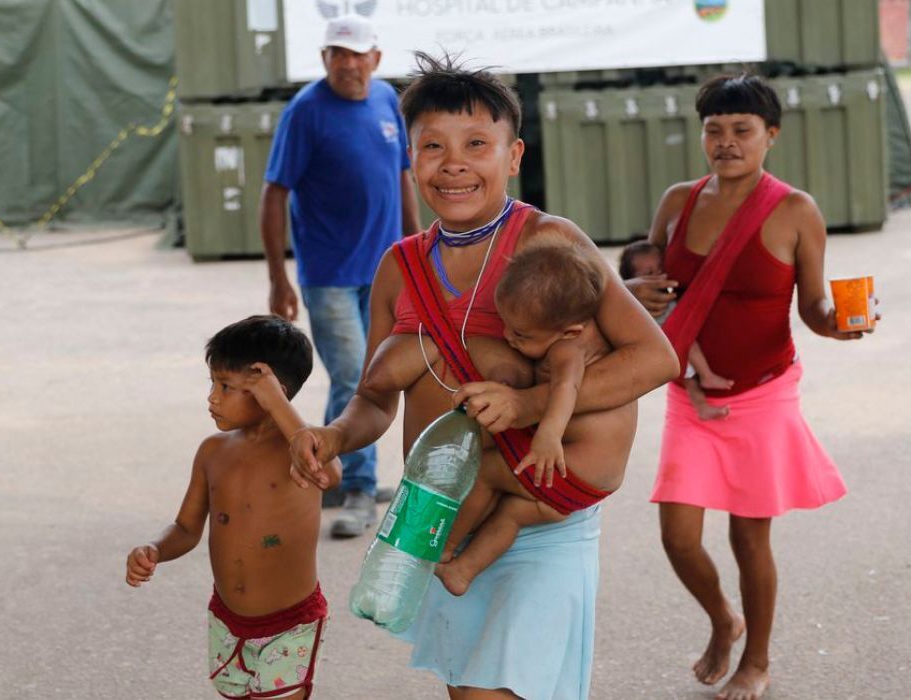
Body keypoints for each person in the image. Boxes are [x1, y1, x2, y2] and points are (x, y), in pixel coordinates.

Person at [288, 52, 678, 700]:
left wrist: (527, 407)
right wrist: (333, 439)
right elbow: (376, 400)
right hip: (443, 515)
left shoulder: (552, 242)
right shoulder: (399, 267)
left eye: (476, 144)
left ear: (514, 154)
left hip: (535, 506)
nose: (454, 163)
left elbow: (654, 356)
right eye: (432, 146)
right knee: (472, 690)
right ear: (409, 158)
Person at [630, 74, 868, 700]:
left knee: (748, 535)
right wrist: (633, 293)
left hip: (763, 394)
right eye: (715, 130)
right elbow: (645, 282)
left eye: (742, 130)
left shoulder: (795, 210)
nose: (726, 142)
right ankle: (722, 620)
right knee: (677, 537)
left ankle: (755, 660)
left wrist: (837, 324)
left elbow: (814, 303)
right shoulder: (678, 201)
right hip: (690, 394)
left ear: (771, 136)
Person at [259, 13, 421, 538]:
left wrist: (420, 256)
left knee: (372, 376)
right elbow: (274, 194)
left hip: (384, 272)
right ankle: (356, 489)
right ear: (325, 57)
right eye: (337, 53)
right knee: (357, 378)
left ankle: (342, 471)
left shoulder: (388, 102)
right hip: (328, 274)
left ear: (375, 57)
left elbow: (403, 180)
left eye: (356, 54)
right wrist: (279, 278)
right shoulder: (305, 112)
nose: (347, 64)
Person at [124, 315, 340, 699]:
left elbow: (330, 473)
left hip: (290, 625)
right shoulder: (213, 452)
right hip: (227, 621)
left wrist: (277, 403)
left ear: (272, 390)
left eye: (226, 386)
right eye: (212, 383)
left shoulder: (300, 452)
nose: (212, 397)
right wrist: (156, 549)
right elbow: (187, 527)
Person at [425, 241, 633, 597]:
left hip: (573, 469)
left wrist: (549, 434)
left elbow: (567, 387)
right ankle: (462, 570)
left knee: (485, 469)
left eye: (520, 335)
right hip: (590, 479)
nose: (508, 337)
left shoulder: (568, 349)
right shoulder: (560, 331)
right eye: (506, 325)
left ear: (570, 331)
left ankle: (442, 549)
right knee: (513, 513)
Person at [620, 240, 732, 421]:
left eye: (659, 268)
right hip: (665, 342)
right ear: (633, 280)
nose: (657, 275)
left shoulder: (667, 290)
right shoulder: (637, 298)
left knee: (688, 376)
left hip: (673, 342)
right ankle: (706, 377)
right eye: (648, 273)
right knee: (689, 358)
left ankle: (702, 404)